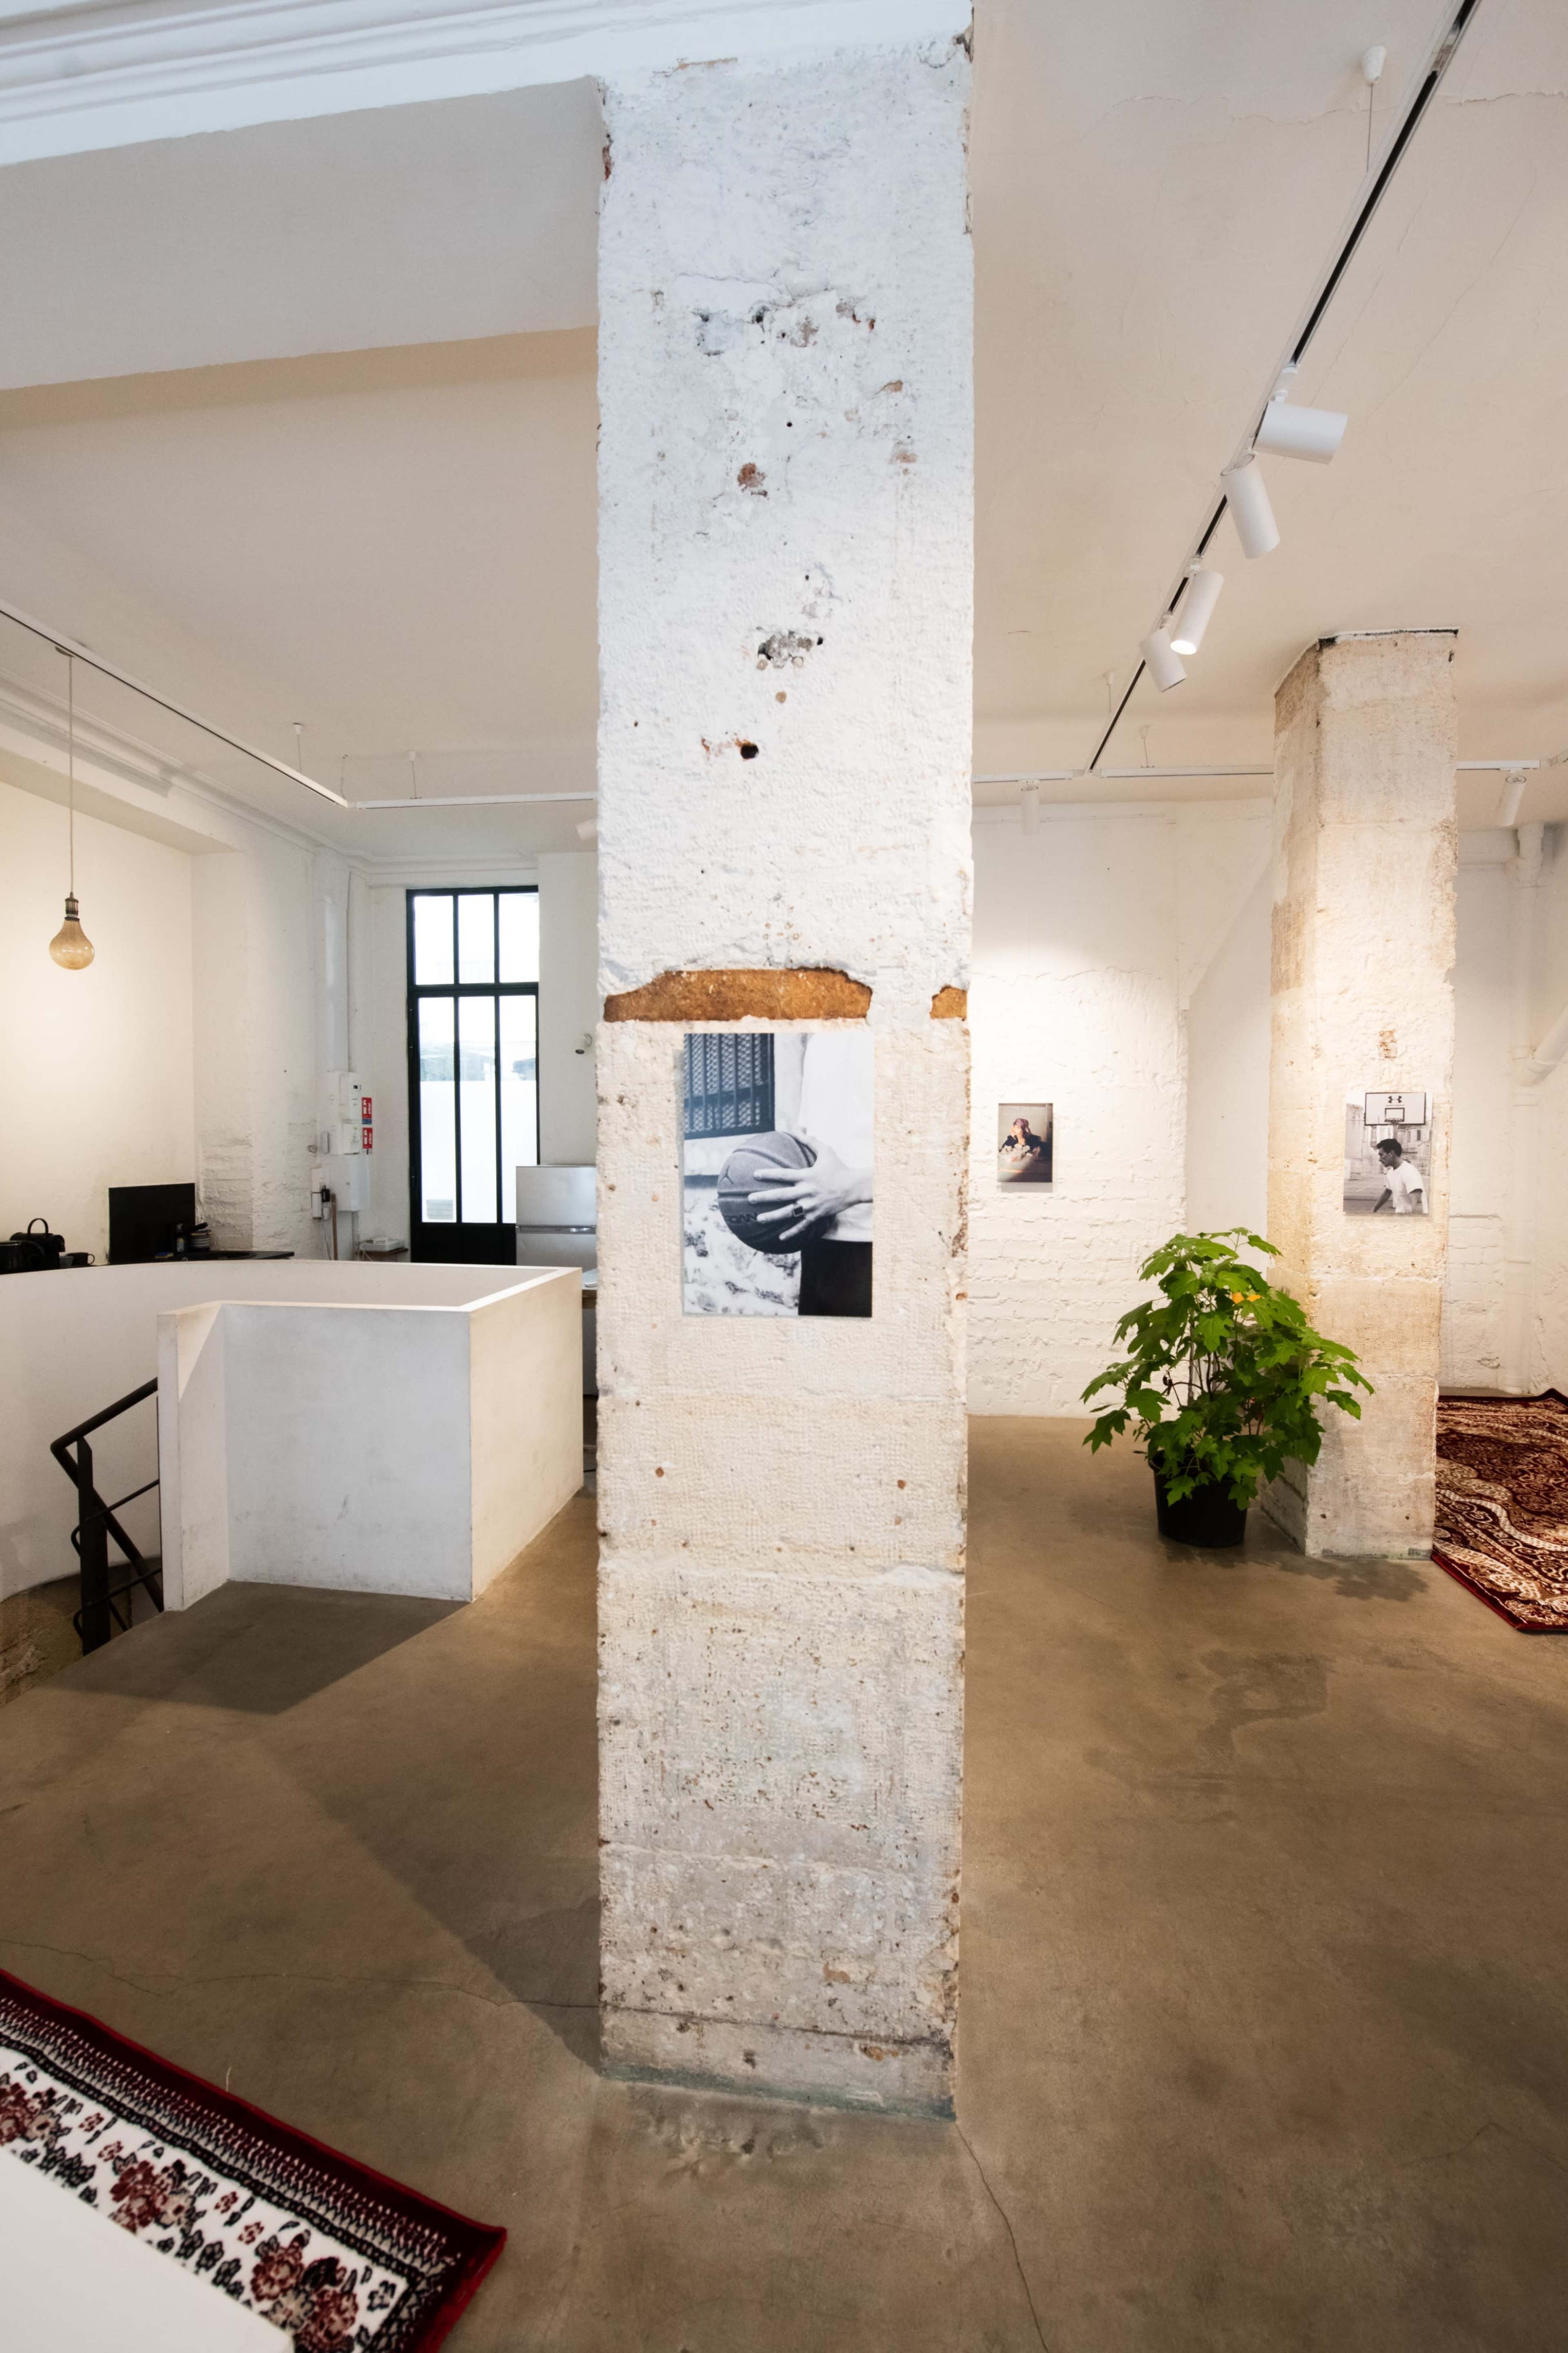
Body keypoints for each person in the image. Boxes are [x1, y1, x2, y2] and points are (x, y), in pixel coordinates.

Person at [746, 1031, 873, 1316]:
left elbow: (960, 1160)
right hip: (820, 1245)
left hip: (884, 1250)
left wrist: (853, 1188)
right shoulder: (820, 1038)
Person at [1371, 1135, 1425, 1215]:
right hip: (1400, 1216)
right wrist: (1374, 1210)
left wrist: (1415, 1224)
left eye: (1381, 1155)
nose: (1380, 1159)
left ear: (1391, 1154)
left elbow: (1417, 1203)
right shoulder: (1391, 1172)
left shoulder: (1409, 1172)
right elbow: (1387, 1192)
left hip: (1412, 1218)